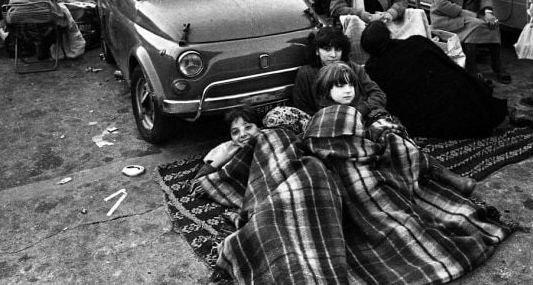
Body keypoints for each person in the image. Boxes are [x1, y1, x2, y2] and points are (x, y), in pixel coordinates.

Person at [194, 59, 513, 283]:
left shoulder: (363, 112)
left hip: (367, 164)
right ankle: (439, 175)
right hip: (334, 172)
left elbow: (375, 141)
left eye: (349, 85)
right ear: (325, 92)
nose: (346, 91)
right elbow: (302, 143)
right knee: (304, 188)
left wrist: (378, 141)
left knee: (392, 136)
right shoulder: (317, 116)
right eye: (338, 86)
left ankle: (438, 174)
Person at [360, 20, 510, 138]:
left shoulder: (373, 69)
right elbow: (453, 67)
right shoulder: (417, 42)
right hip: (467, 99)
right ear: (388, 34)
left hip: (441, 116)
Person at [291, 26, 386, 120]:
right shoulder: (305, 74)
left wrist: (360, 110)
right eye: (327, 49)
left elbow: (378, 94)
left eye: (337, 49)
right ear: (317, 51)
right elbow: (301, 108)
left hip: (359, 118)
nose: (333, 55)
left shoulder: (353, 68)